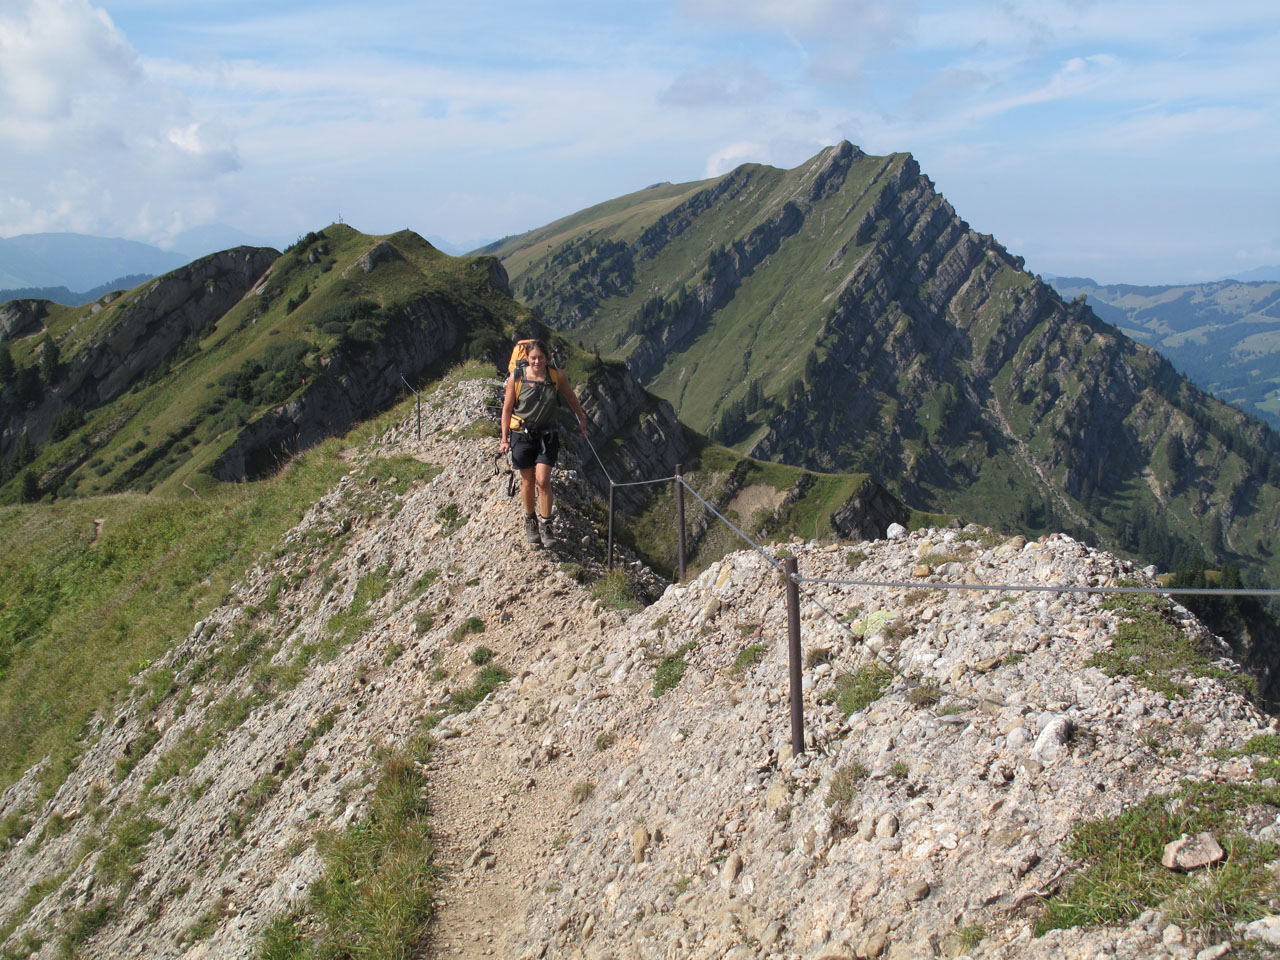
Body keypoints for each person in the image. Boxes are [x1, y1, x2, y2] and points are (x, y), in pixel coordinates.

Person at [498, 341, 588, 547]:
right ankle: (530, 519)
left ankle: (546, 525)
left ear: (547, 358)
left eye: (541, 357)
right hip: (521, 433)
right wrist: (504, 439)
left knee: (543, 479)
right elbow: (507, 409)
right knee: (528, 480)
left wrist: (581, 420)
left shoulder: (557, 376)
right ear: (527, 358)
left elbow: (571, 398)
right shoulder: (517, 377)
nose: (537, 361)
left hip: (547, 434)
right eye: (533, 358)